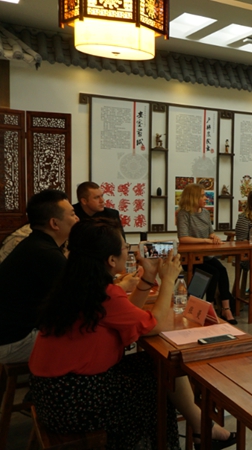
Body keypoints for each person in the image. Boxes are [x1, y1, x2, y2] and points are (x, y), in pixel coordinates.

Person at [28, 219, 234, 450]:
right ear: (111, 260)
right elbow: (157, 325)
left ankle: (201, 428)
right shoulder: (104, 293)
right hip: (73, 401)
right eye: (125, 247)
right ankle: (185, 435)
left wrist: (148, 278)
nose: (130, 252)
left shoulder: (78, 285)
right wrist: (168, 280)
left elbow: (126, 314)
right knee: (156, 388)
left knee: (159, 364)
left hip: (51, 391)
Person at [0, 190, 79, 364]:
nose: (77, 219)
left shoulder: (35, 244)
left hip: (12, 333)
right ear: (54, 223)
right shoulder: (45, 253)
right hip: (14, 341)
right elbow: (81, 298)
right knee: (89, 337)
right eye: (73, 214)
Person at [176, 183, 238, 324]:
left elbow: (210, 232)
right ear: (193, 197)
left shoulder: (205, 212)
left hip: (206, 255)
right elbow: (183, 238)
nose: (206, 198)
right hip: (190, 257)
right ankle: (210, 307)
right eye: (202, 196)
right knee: (213, 272)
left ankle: (226, 308)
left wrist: (214, 237)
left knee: (222, 270)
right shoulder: (183, 214)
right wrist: (205, 240)